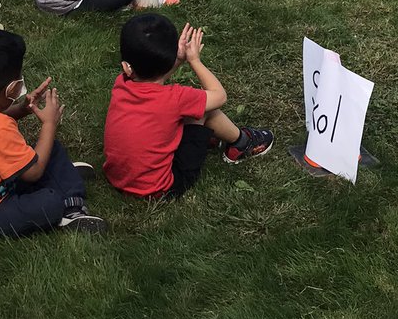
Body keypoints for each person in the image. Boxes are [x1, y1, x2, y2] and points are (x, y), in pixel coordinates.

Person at [0, 30, 105, 238]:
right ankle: (71, 208)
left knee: (52, 149)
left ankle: (63, 178)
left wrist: (22, 108)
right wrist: (49, 124)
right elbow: (33, 173)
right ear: (12, 88)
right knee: (49, 202)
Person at [103, 14, 275, 200]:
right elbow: (219, 96)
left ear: (127, 67)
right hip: (161, 189)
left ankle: (209, 138)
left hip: (119, 179)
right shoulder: (176, 98)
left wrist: (177, 60)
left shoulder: (122, 83)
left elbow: (154, 77)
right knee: (203, 110)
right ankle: (242, 143)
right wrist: (194, 61)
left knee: (182, 113)